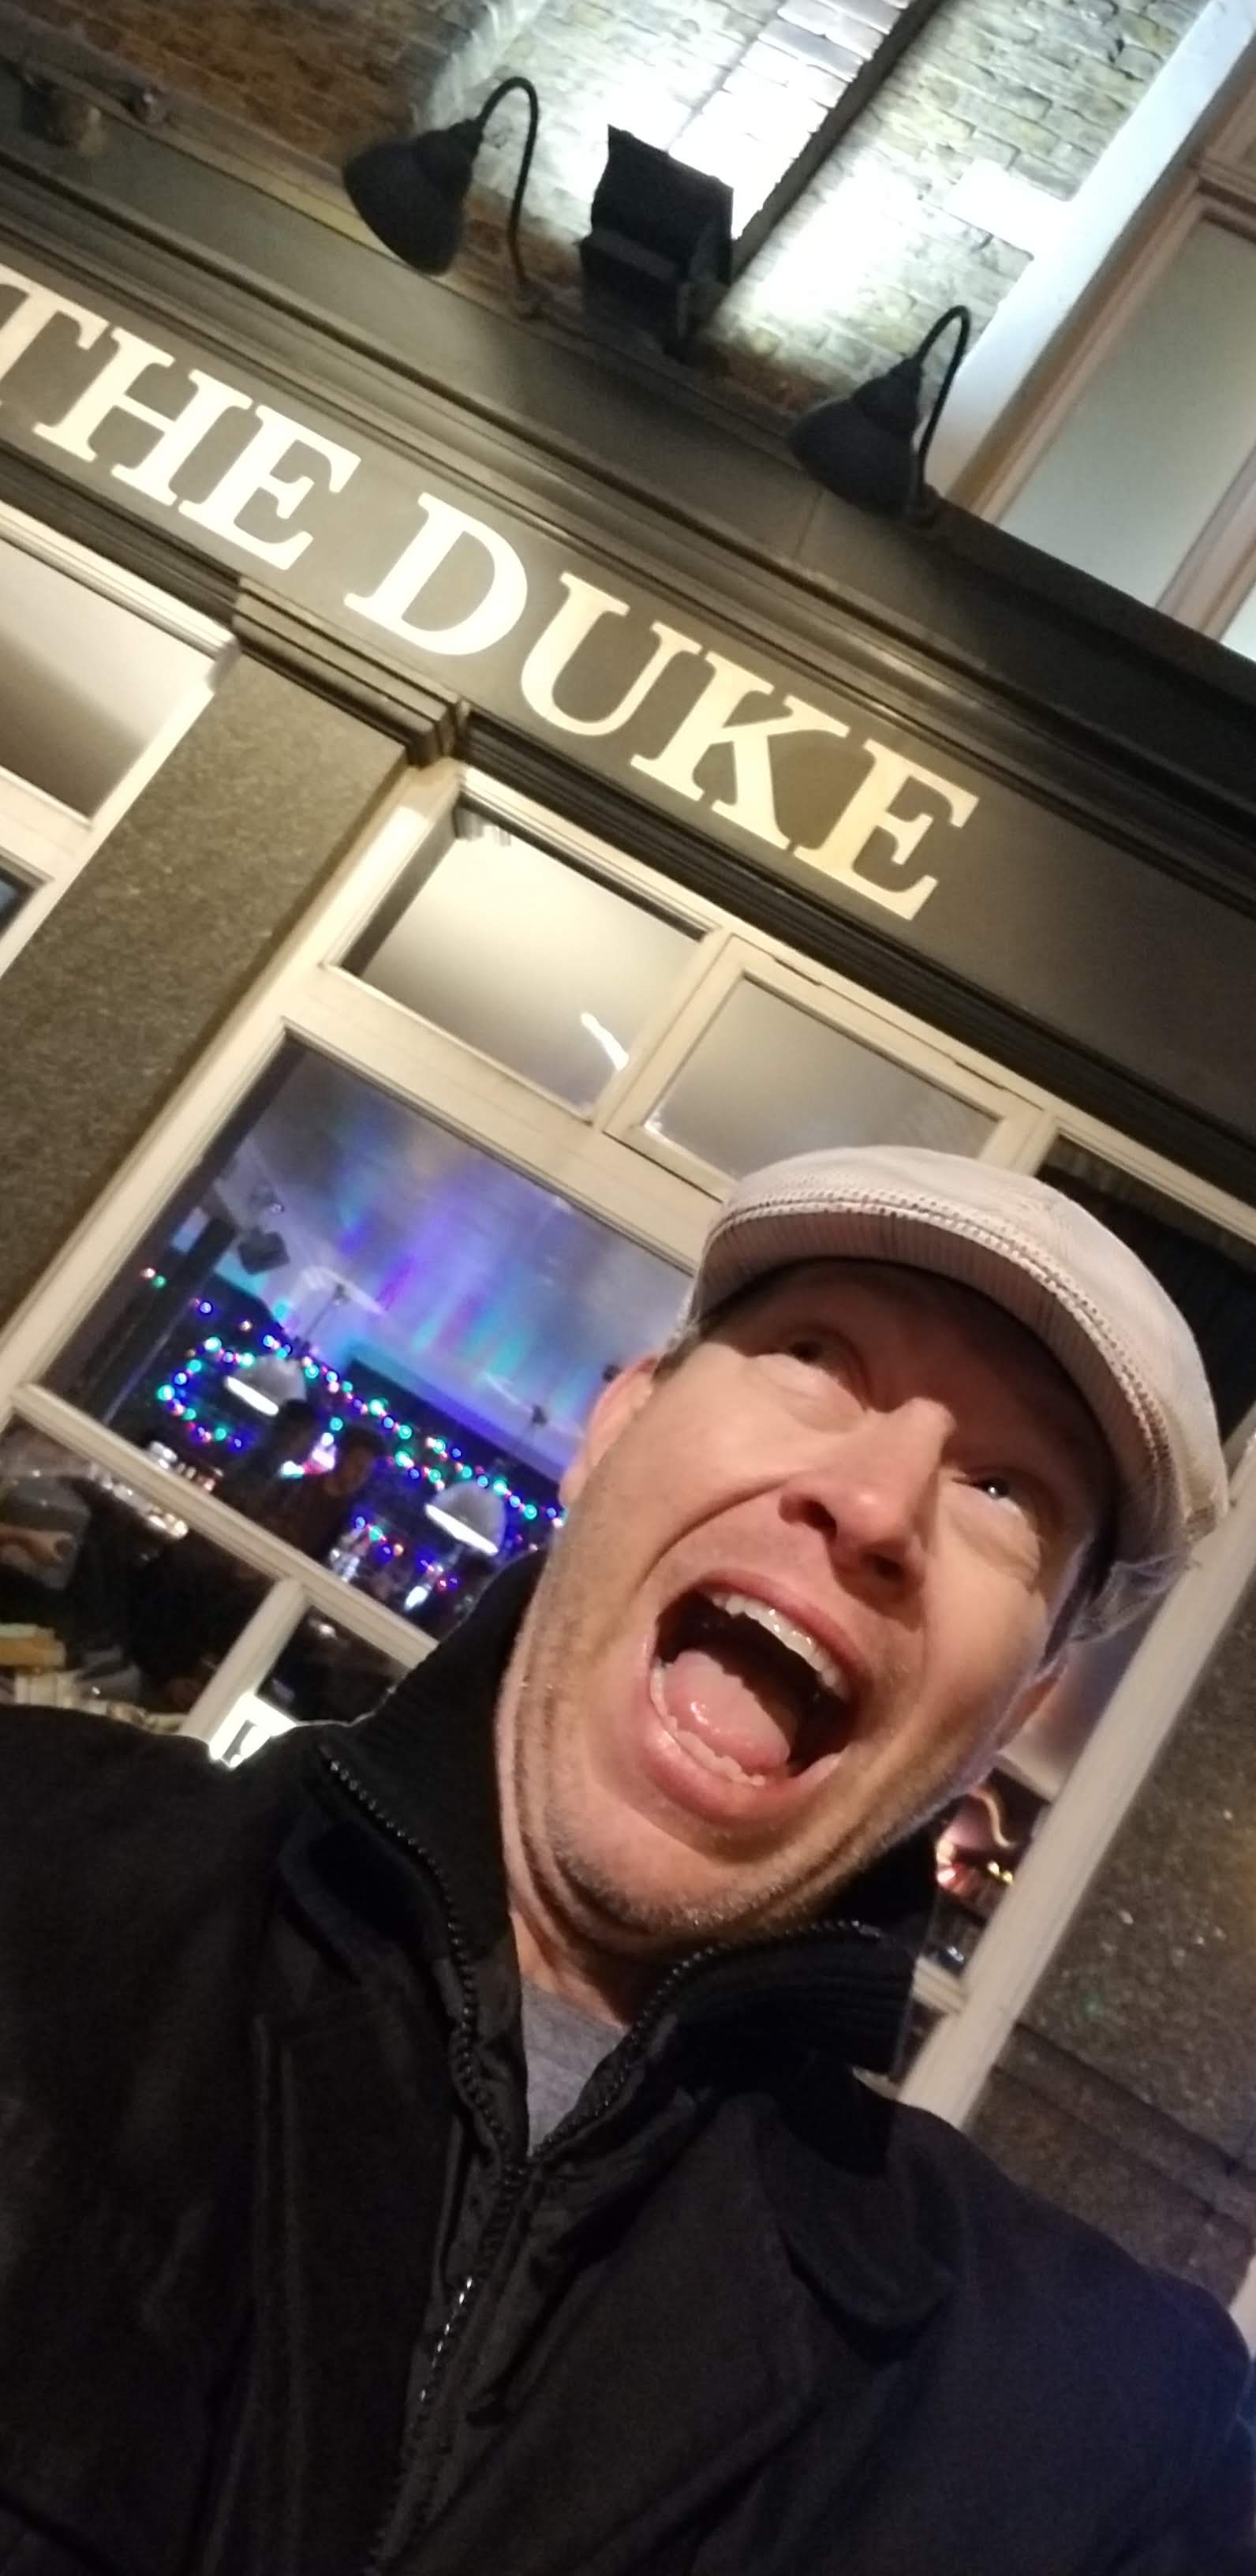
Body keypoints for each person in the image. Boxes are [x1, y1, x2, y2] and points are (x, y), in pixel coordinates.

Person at [0, 1144, 1251, 2576]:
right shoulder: (32, 1861)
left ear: (1017, 1713)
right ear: (619, 1425)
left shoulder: (1100, 2444)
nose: (876, 1506)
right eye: (817, 1360)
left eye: (1007, 1493)